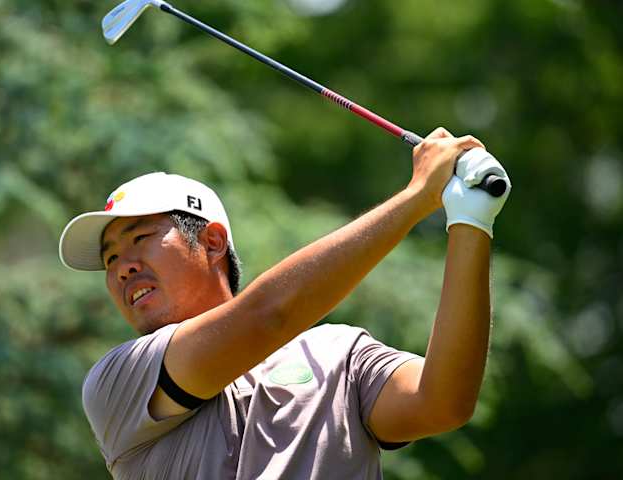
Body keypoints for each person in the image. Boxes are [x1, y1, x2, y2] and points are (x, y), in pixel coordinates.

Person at [58, 128, 511, 479]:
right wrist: (416, 198)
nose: (123, 267)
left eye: (139, 238)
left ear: (212, 242)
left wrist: (470, 220)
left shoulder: (338, 354)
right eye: (111, 258)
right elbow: (267, 317)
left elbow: (443, 402)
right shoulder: (119, 381)